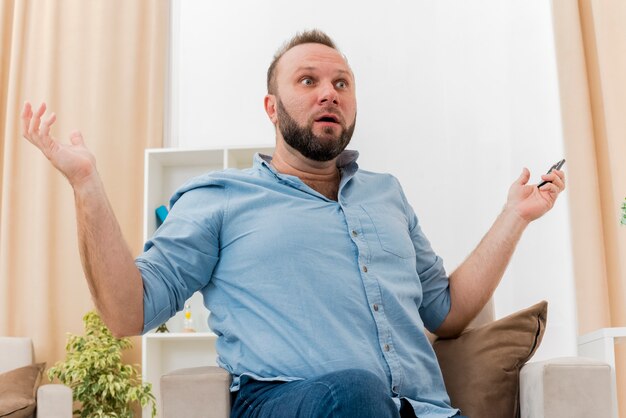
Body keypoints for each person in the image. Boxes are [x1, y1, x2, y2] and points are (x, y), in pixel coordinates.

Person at [21, 30, 565, 418]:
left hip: (422, 409)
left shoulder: (387, 194)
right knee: (357, 392)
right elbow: (126, 311)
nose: (329, 92)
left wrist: (514, 217)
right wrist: (86, 185)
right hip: (285, 401)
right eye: (307, 80)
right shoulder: (219, 198)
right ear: (272, 106)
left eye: (342, 83)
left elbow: (445, 313)